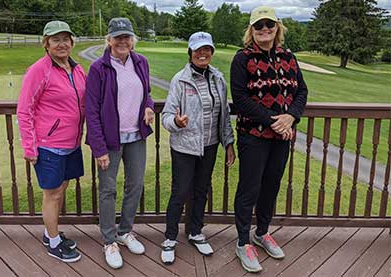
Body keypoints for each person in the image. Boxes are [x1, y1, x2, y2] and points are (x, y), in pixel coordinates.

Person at [230, 6, 308, 273]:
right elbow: (240, 99)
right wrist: (276, 121)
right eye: (259, 26)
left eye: (270, 25)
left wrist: (292, 117)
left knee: (270, 187)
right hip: (253, 136)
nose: (265, 29)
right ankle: (242, 242)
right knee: (248, 189)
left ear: (278, 28)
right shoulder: (243, 58)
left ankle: (261, 233)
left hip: (281, 138)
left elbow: (302, 92)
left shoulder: (288, 56)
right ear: (251, 30)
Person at [85, 17, 155, 269]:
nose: (123, 41)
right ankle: (109, 239)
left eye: (127, 36)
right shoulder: (98, 68)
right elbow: (91, 111)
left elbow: (147, 93)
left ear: (132, 40)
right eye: (118, 37)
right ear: (109, 40)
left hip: (136, 136)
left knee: (135, 185)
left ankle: (125, 231)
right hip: (109, 141)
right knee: (108, 189)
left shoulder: (141, 62)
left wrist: (148, 108)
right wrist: (99, 148)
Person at [160, 31, 236, 265]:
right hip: (184, 147)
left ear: (212, 52)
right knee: (180, 192)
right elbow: (166, 115)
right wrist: (176, 122)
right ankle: (170, 237)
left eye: (207, 49)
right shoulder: (180, 80)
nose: (203, 53)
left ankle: (195, 232)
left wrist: (229, 143)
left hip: (210, 146)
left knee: (201, 190)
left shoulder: (218, 79)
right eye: (198, 49)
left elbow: (224, 116)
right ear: (190, 52)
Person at [17, 20, 85, 263]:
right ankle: (54, 243)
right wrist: (29, 147)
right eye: (55, 39)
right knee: (52, 193)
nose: (62, 44)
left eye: (65, 39)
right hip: (49, 146)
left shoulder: (76, 68)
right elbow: (24, 110)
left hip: (72, 144)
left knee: (62, 189)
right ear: (46, 43)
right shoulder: (39, 70)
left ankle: (50, 233)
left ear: (71, 42)